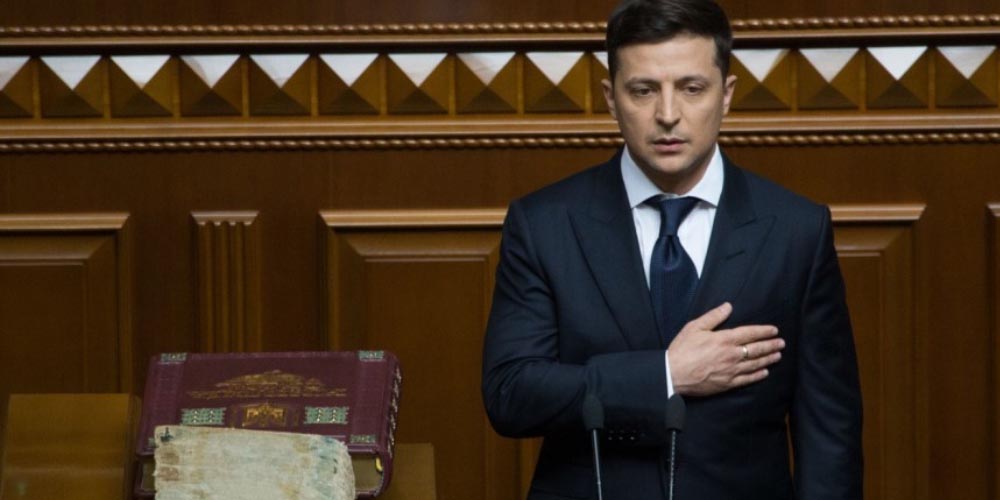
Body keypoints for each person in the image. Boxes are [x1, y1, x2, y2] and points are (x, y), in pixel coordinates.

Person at [481, 0, 863, 498]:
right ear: (611, 98)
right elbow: (510, 394)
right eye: (643, 90)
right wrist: (666, 374)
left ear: (726, 94)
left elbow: (829, 434)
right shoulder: (543, 224)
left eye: (691, 88)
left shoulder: (797, 230)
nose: (667, 115)